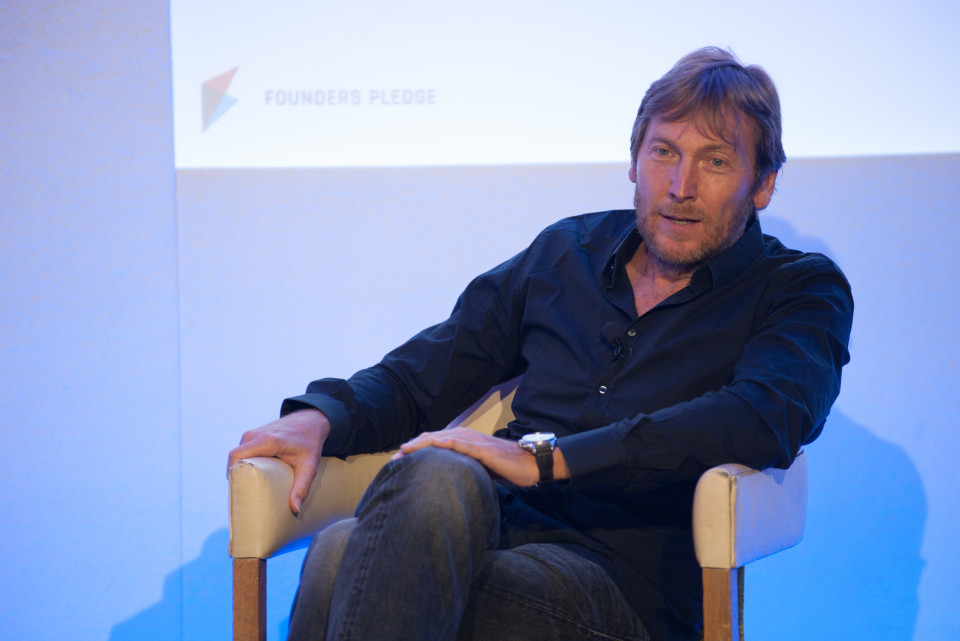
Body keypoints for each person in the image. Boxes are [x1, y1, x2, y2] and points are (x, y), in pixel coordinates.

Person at [228, 46, 853, 641]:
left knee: (345, 553)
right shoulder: (566, 253)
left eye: (715, 162)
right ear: (634, 162)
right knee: (383, 517)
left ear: (763, 184)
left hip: (620, 587)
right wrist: (321, 418)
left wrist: (550, 458)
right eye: (664, 152)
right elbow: (428, 372)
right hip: (487, 532)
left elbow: (761, 418)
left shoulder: (798, 289)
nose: (680, 185)